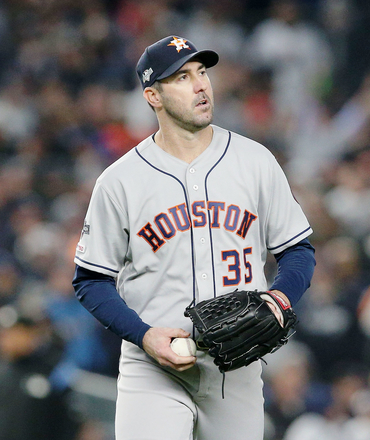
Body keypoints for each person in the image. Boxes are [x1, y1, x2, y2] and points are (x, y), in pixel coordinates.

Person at [72, 35, 315, 440]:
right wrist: (144, 335)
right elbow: (91, 279)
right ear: (154, 96)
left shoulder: (254, 161)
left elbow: (297, 249)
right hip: (153, 368)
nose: (201, 85)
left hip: (237, 369)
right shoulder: (120, 181)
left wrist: (279, 297)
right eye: (182, 78)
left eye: (202, 72)